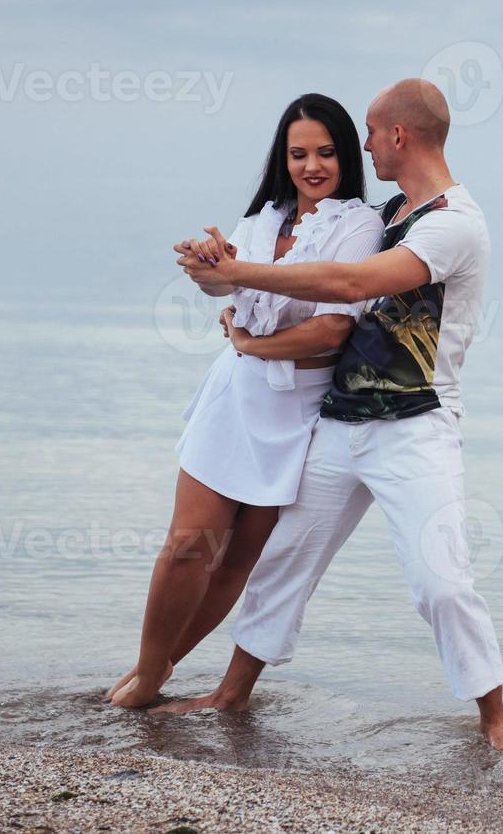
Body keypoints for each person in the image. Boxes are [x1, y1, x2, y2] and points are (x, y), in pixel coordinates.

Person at [158, 79, 503, 750]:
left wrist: (247, 271)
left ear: (400, 135)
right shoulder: (386, 213)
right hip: (341, 421)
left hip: (415, 427)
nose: (366, 145)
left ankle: (494, 718)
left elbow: (349, 284)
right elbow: (302, 283)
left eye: (373, 134)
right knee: (282, 562)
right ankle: (230, 693)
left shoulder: (454, 223)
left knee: (439, 579)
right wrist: (223, 278)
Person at [107, 94, 384, 708]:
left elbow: (333, 330)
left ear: (345, 156)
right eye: (299, 153)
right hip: (232, 401)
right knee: (188, 546)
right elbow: (220, 283)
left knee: (235, 563)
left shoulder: (361, 225)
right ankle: (147, 675)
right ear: (281, 159)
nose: (312, 165)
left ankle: (153, 676)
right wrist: (202, 262)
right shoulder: (261, 222)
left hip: (297, 411)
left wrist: (249, 343)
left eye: (326, 152)